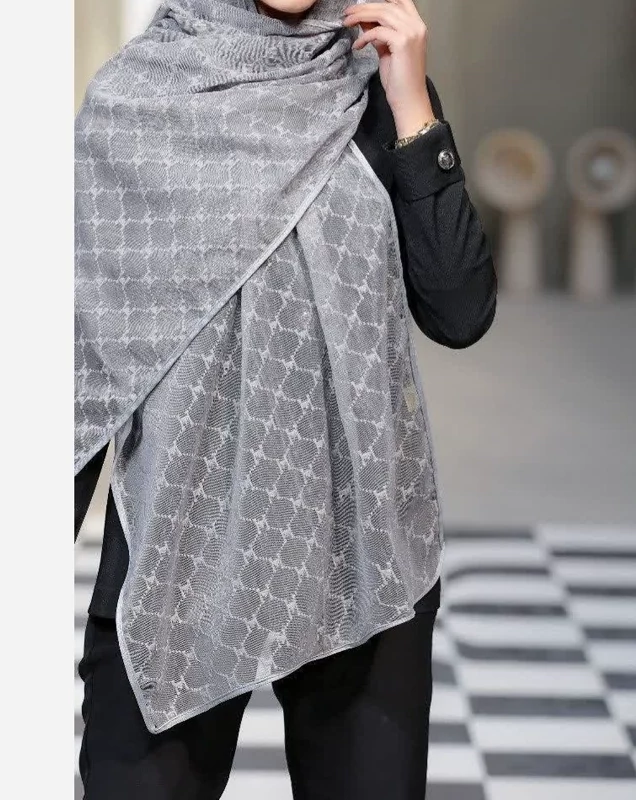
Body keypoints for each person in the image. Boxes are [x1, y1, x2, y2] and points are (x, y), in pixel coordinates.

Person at [74, 1, 497, 798]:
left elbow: (460, 310)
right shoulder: (140, 100)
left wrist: (413, 105)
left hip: (363, 551)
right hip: (178, 556)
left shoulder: (378, 93)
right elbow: (84, 357)